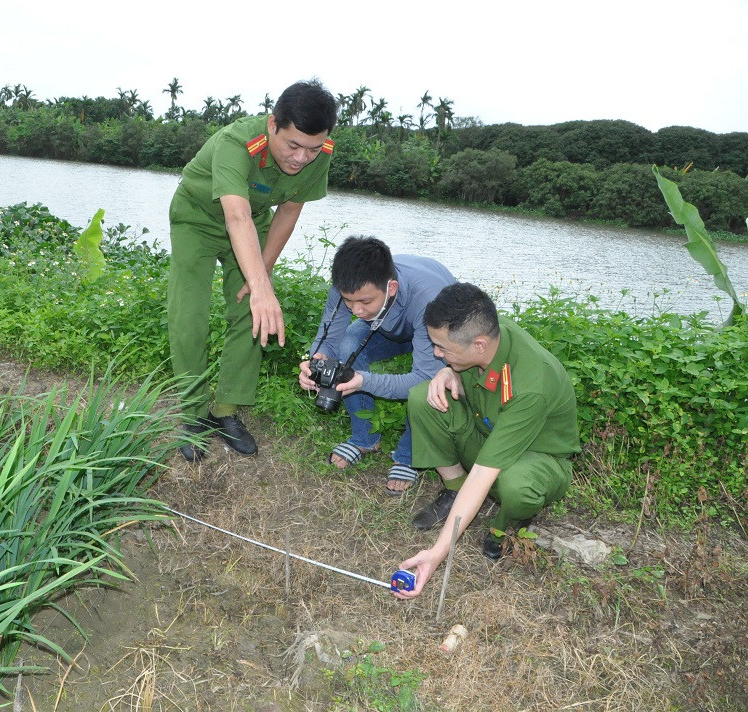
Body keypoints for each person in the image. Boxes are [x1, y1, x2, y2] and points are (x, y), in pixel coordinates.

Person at [168, 79, 338, 462]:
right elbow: (235, 214)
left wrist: (260, 276)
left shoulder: (319, 150)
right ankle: (193, 414)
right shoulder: (237, 143)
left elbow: (290, 210)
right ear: (272, 123)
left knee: (250, 309)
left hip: (253, 220)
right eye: (292, 145)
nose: (300, 158)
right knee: (190, 314)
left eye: (311, 149)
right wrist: (261, 288)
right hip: (198, 218)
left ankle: (225, 411)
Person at [393, 283, 580, 599]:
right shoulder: (489, 334)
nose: (436, 353)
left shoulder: (531, 384)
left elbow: (483, 473)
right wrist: (448, 373)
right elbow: (480, 390)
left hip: (538, 458)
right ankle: (455, 491)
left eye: (442, 348)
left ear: (479, 344)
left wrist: (438, 552)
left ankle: (504, 525)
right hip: (488, 431)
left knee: (517, 486)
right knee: (424, 397)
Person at [298, 236, 455, 494]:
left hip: (435, 328)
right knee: (348, 344)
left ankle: (408, 454)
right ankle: (364, 439)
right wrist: (315, 363)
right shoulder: (348, 287)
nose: (356, 310)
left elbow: (425, 378)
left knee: (430, 387)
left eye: (365, 302)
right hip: (388, 326)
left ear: (391, 287)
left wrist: (364, 381)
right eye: (350, 301)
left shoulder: (431, 299)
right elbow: (328, 339)